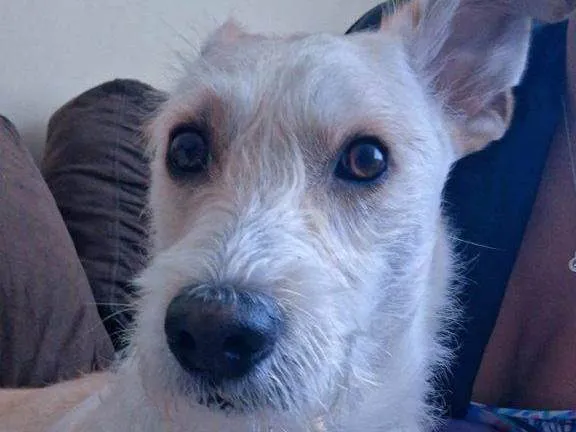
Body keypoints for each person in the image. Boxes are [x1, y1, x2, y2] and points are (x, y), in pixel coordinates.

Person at [0, 2, 574, 431]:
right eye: (191, 154)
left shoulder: (434, 78)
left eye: (363, 162)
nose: (221, 313)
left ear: (472, 95)